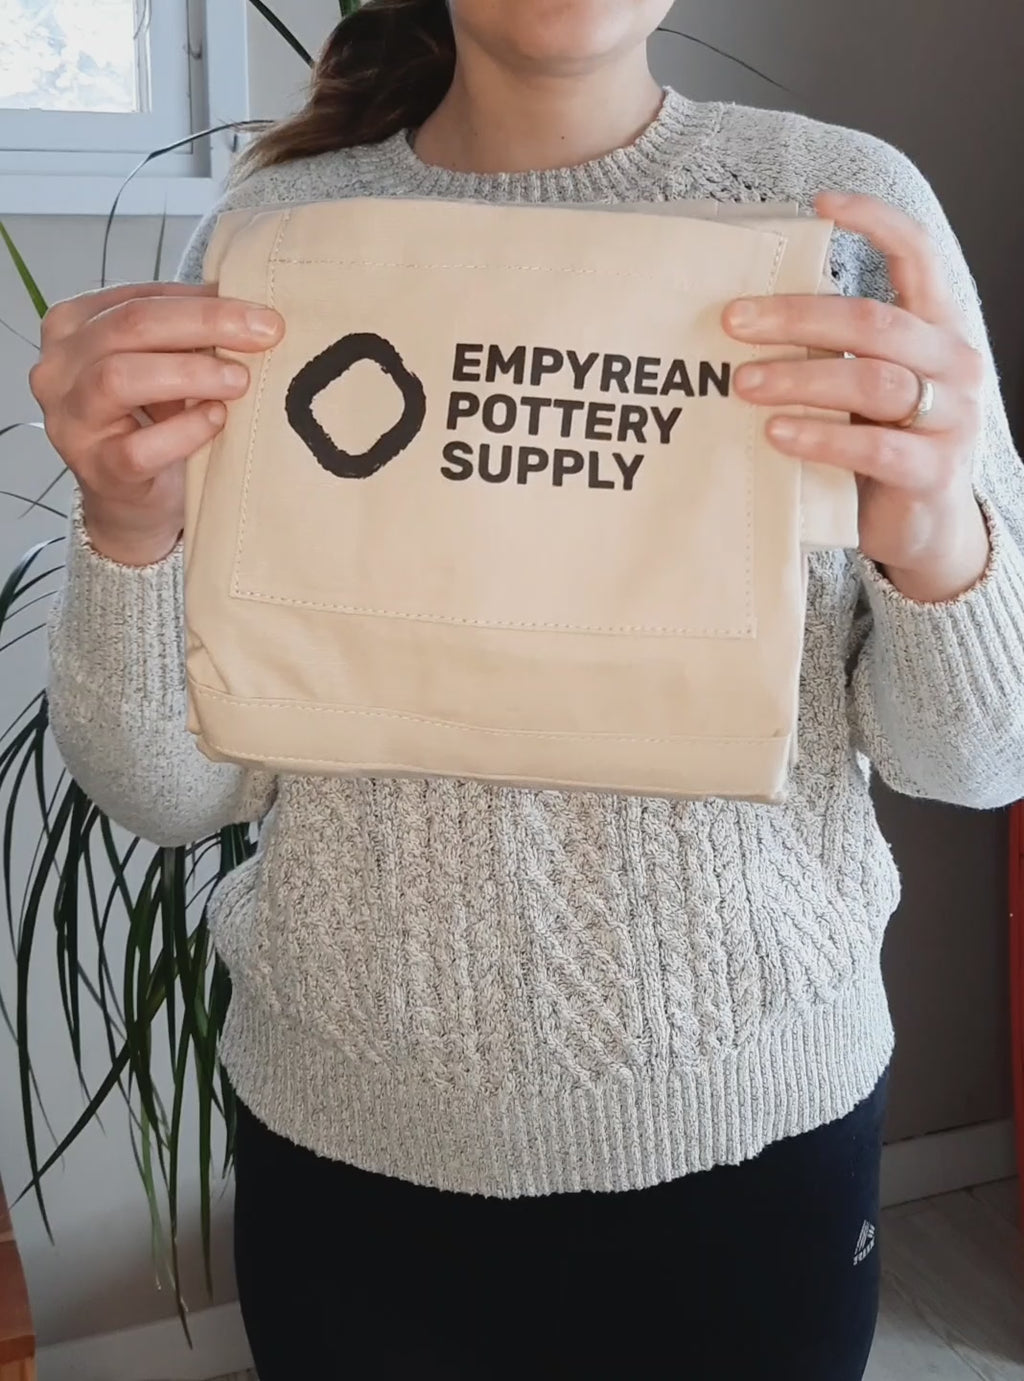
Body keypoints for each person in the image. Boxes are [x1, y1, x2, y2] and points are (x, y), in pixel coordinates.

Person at [31, 1, 1024, 1376]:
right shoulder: (284, 239)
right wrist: (130, 529)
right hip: (349, 1150)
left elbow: (980, 754)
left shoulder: (843, 214)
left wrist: (937, 538)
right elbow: (170, 792)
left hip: (758, 1138)